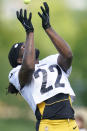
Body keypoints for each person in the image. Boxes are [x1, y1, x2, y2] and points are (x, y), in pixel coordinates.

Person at [8, 2, 79, 131]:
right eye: (24, 47)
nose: (29, 45)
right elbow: (29, 66)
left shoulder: (50, 60)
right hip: (49, 125)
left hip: (71, 123)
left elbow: (68, 55)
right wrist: (30, 32)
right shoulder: (15, 73)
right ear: (19, 60)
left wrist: (48, 27)